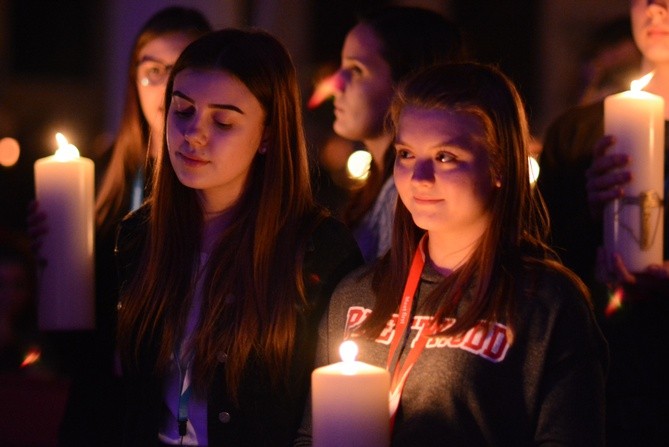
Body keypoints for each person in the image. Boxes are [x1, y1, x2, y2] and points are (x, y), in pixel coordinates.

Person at [297, 62, 608, 446]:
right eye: (406, 154)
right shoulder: (356, 292)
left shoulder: (545, 301)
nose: (420, 177)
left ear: (499, 166)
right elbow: (311, 434)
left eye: (445, 157)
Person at [115, 28, 363, 446]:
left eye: (223, 120)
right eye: (182, 111)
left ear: (267, 134)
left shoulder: (317, 251)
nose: (194, 133)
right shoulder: (140, 235)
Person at [27, 7, 212, 445]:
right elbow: (72, 311)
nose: (166, 84)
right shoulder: (100, 177)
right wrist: (51, 259)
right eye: (152, 70)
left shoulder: (209, 181)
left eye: (181, 67)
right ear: (134, 79)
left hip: (175, 405)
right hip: (100, 399)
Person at [539, 1, 669, 444]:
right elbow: (538, 256)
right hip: (596, 378)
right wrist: (584, 207)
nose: (656, 8)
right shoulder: (577, 134)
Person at [330, 6, 464, 263]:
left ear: (408, 84)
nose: (336, 83)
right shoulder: (379, 186)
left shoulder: (412, 196)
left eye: (356, 69)